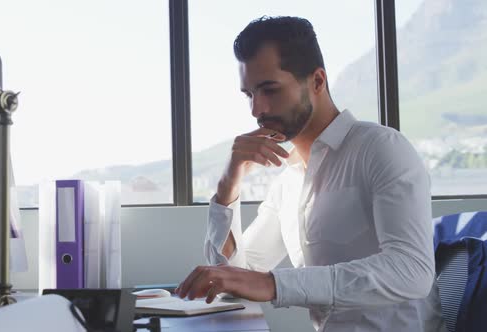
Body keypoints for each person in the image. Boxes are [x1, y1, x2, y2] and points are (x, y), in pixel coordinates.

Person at [175, 16, 445, 331]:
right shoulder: (288, 182)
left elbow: (411, 271)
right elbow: (237, 274)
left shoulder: (381, 148)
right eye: (249, 94)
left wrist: (275, 285)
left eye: (269, 90)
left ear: (317, 82)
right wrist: (228, 183)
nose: (256, 109)